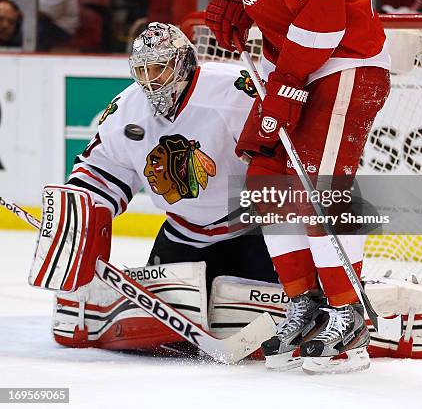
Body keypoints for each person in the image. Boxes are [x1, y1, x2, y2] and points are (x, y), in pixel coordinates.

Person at [205, 0, 390, 374]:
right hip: (301, 66)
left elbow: (325, 21)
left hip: (346, 64)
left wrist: (286, 84)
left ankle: (348, 313)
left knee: (317, 186)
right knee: (266, 178)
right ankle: (303, 301)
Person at [66, 21, 277, 292]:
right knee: (159, 329)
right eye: (142, 70)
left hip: (252, 234)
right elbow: (101, 171)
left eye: (158, 68)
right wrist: (75, 216)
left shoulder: (234, 92)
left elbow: (283, 158)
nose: (150, 79)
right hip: (182, 235)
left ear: (183, 63)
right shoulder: (126, 110)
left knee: (274, 319)